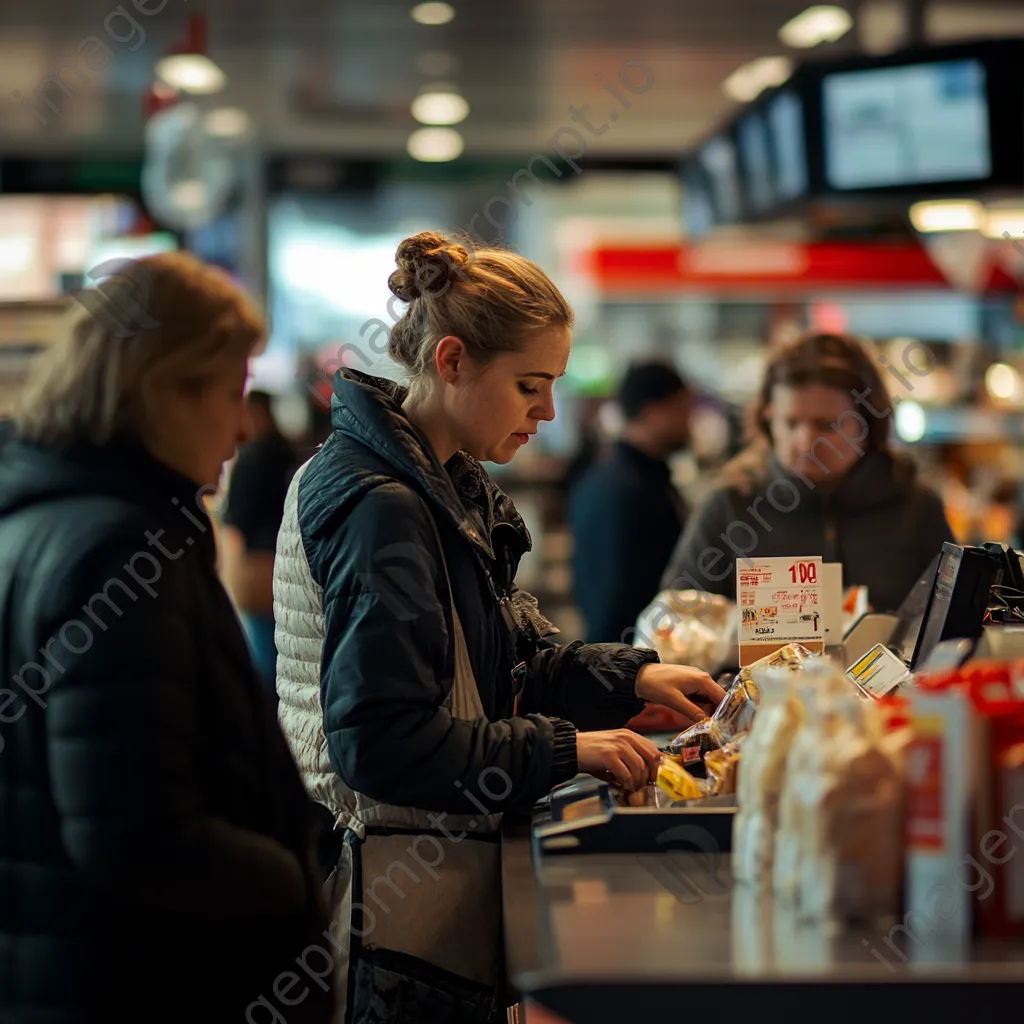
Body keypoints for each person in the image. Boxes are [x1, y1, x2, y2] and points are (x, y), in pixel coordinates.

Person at [273, 231, 726, 1023]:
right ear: (451, 361)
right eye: (529, 385)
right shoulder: (384, 505)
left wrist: (630, 677)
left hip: (421, 878)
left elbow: (502, 664)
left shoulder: (445, 484)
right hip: (383, 903)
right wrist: (565, 748)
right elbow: (383, 741)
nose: (548, 412)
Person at [0, 253, 332, 1024]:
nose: (245, 425)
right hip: (146, 983)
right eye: (231, 394)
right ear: (161, 393)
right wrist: (289, 878)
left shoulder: (38, 521)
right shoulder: (119, 555)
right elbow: (136, 835)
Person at [662, 331, 954, 612]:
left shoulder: (917, 509)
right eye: (790, 423)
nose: (805, 442)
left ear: (868, 422)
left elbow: (954, 631)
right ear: (768, 419)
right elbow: (678, 627)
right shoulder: (729, 508)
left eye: (826, 425)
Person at [569, 361, 692, 643]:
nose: (690, 422)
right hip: (630, 659)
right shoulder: (634, 489)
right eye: (682, 410)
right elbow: (619, 594)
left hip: (615, 655)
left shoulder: (601, 476)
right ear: (651, 412)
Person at [221, 388, 299, 691]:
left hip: (258, 563)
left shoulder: (252, 457)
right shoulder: (291, 451)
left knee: (264, 653)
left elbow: (237, 516)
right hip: (290, 560)